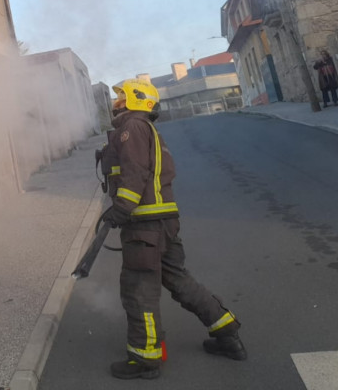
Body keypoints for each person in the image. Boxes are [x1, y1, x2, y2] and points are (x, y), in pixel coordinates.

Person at [98, 78, 245, 380]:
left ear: (136, 100)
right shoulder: (144, 128)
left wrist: (120, 210)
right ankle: (226, 330)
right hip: (162, 222)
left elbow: (134, 173)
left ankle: (145, 359)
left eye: (122, 97)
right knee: (178, 280)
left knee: (139, 289)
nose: (117, 101)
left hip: (145, 225)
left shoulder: (133, 128)